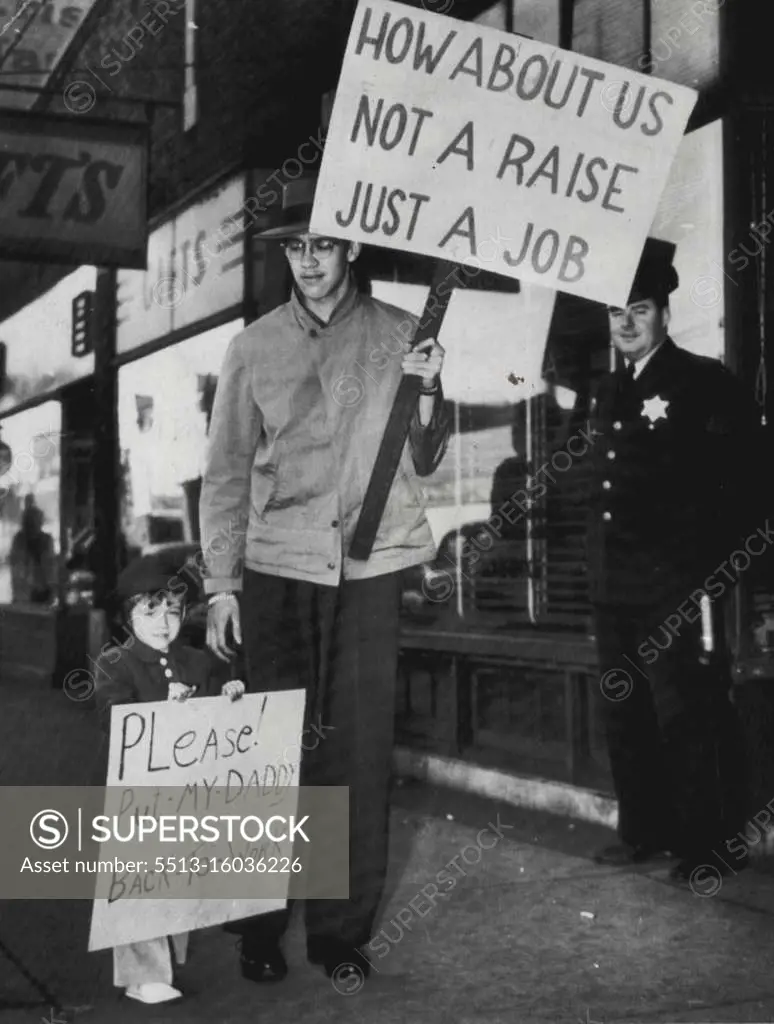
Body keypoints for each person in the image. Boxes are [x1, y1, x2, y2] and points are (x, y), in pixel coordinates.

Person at [199, 176, 450, 986]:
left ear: (353, 248)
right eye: (296, 248)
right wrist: (221, 583)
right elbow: (227, 473)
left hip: (370, 573)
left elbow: (425, 456)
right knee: (267, 755)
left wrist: (431, 387)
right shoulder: (253, 346)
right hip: (276, 572)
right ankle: (257, 929)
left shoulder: (403, 332)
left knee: (359, 753)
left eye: (323, 244)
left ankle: (341, 935)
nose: (308, 262)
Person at [585, 237, 765, 883]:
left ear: (664, 312)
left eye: (638, 309)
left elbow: (745, 484)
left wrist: (710, 569)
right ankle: (646, 830)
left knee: (687, 711)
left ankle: (710, 844)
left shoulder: (703, 381)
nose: (625, 324)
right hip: (615, 584)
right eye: (614, 312)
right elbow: (601, 484)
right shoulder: (607, 389)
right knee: (625, 709)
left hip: (676, 583)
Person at [93, 553, 246, 1005]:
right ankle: (143, 974)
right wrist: (157, 711)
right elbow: (114, 716)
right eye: (150, 611)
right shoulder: (115, 663)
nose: (164, 622)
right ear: (128, 617)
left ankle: (167, 962)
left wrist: (231, 697)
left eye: (173, 611)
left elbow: (218, 719)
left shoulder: (196, 661)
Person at [10, 495, 56, 604]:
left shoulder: (19, 540)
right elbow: (50, 569)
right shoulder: (44, 540)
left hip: (30, 595)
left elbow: (15, 570)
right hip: (34, 595)